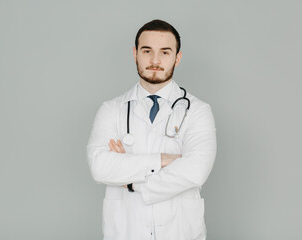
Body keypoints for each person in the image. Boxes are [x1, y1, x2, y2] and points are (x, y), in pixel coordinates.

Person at [87, 19, 217, 240]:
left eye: (165, 52)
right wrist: (161, 160)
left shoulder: (197, 111)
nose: (155, 60)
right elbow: (99, 167)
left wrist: (130, 182)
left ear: (177, 58)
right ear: (135, 53)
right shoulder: (112, 110)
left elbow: (195, 170)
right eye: (147, 51)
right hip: (127, 231)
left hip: (180, 232)